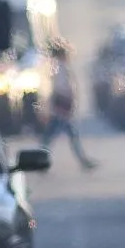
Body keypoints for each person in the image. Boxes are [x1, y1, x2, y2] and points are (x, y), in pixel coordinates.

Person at [41, 42, 98, 171]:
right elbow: (60, 89)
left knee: (51, 136)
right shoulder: (59, 68)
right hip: (61, 107)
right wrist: (66, 104)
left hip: (61, 107)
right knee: (59, 136)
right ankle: (40, 159)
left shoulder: (60, 67)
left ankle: (42, 158)